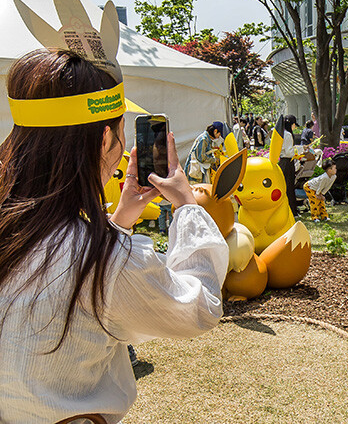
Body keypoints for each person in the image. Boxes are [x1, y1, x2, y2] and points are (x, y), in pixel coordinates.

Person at [0, 49, 228, 422]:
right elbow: (199, 309)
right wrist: (187, 204)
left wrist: (120, 219)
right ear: (106, 140)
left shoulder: (15, 225)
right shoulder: (107, 260)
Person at [280, 114, 299, 216]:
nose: (295, 127)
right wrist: (299, 151)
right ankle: (292, 210)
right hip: (287, 162)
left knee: (285, 186)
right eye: (294, 125)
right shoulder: (287, 135)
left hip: (283, 162)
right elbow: (289, 152)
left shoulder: (281, 133)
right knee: (289, 186)